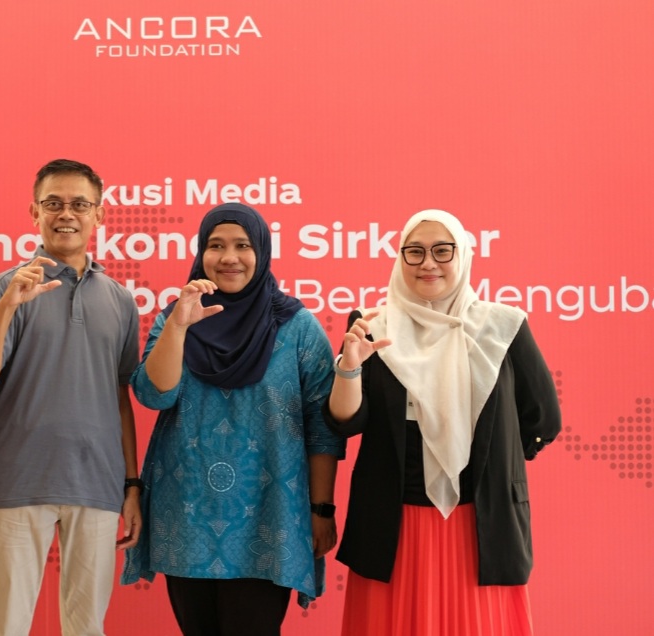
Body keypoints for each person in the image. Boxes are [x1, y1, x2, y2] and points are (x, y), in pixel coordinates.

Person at [325, 209, 562, 636]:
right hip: (392, 523)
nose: (427, 263)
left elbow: (542, 417)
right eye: (414, 252)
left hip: (481, 523)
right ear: (400, 258)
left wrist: (500, 460)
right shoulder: (371, 324)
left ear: (463, 255)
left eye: (442, 250)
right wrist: (349, 368)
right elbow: (346, 422)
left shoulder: (503, 326)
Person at [121, 202, 345, 636]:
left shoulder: (297, 326)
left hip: (270, 516)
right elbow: (153, 394)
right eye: (216, 245)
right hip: (186, 515)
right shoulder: (176, 316)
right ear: (200, 252)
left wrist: (321, 509)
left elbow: (322, 429)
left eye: (243, 245)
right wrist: (179, 327)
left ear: (261, 251)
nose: (229, 257)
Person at [0, 158, 142, 636]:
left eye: (79, 204)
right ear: (34, 212)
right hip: (21, 481)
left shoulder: (121, 300)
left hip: (98, 484)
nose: (66, 214)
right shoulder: (7, 288)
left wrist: (132, 485)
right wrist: (7, 307)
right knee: (5, 628)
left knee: (87, 629)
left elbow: (120, 397)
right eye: (53, 203)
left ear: (99, 214)